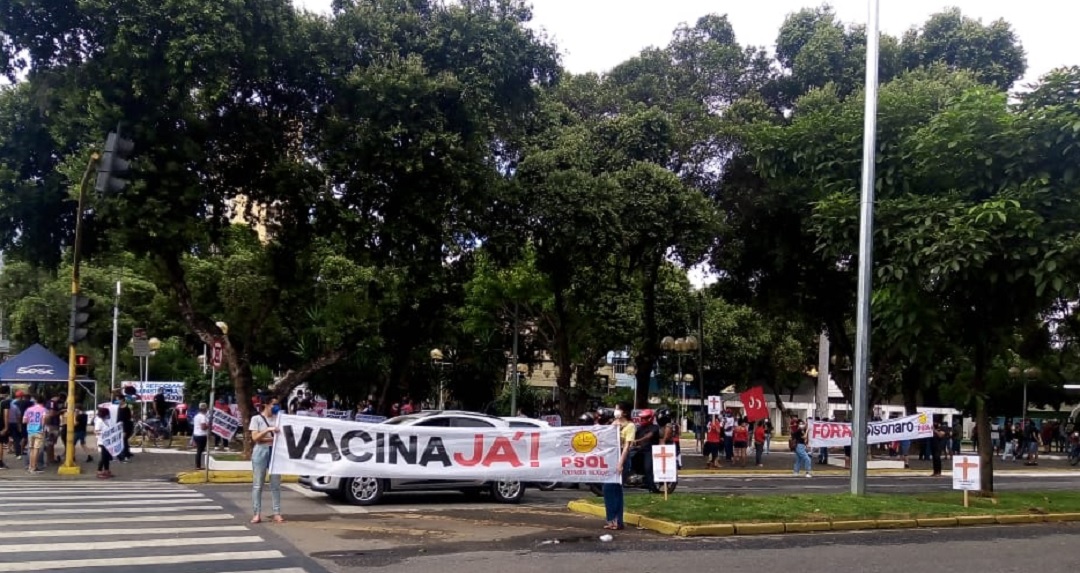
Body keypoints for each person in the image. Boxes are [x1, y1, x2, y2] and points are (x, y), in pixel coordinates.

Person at [250, 397, 285, 524]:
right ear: (266, 404)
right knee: (258, 484)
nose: (276, 406)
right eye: (274, 404)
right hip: (261, 452)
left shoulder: (279, 419)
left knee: (275, 484)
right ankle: (256, 513)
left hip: (275, 452)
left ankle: (277, 512)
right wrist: (268, 431)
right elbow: (255, 438)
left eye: (277, 404)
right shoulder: (256, 419)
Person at [603, 402, 634, 531]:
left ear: (625, 412)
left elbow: (627, 446)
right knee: (609, 490)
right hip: (611, 459)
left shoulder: (630, 426)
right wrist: (613, 426)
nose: (616, 411)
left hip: (622, 459)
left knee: (615, 490)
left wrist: (620, 463)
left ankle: (617, 521)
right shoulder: (614, 424)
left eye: (618, 409)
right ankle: (612, 520)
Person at [22, 396, 48, 474]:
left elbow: (24, 421)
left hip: (30, 431)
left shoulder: (28, 409)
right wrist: (42, 429)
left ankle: (30, 466)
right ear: (43, 402)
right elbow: (43, 421)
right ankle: (34, 467)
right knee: (36, 449)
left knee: (31, 449)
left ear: (36, 401)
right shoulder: (44, 410)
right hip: (39, 431)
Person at [94, 406, 114, 478]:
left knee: (107, 457)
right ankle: (99, 471)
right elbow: (96, 431)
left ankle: (106, 470)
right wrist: (104, 433)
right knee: (104, 457)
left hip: (108, 441)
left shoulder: (107, 420)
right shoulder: (99, 421)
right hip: (102, 441)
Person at [192, 403, 209, 469]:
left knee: (199, 450)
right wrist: (209, 425)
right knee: (200, 450)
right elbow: (203, 427)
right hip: (201, 435)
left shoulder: (196, 416)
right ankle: (198, 466)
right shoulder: (203, 417)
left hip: (196, 434)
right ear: (205, 409)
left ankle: (198, 465)